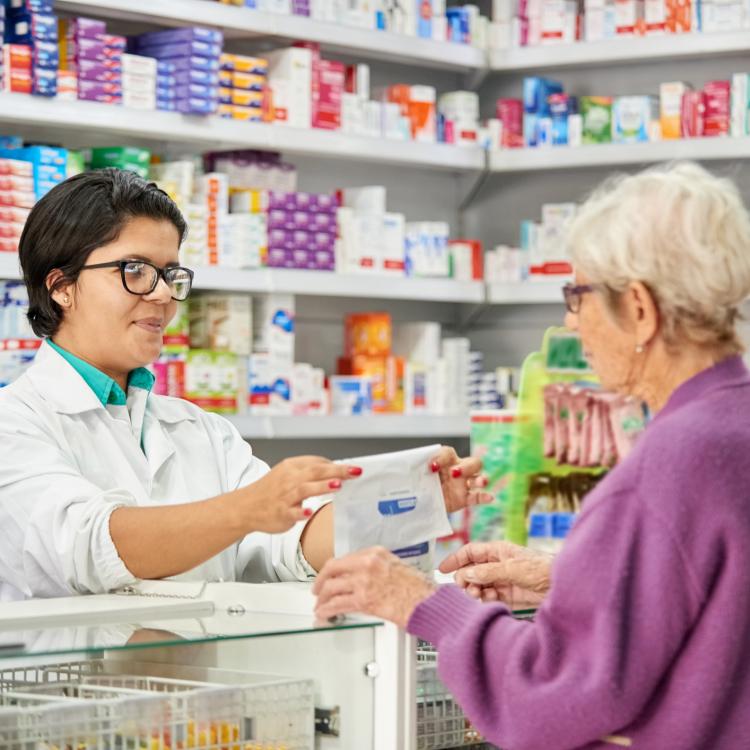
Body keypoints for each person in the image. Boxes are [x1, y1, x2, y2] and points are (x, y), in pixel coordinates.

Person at [314, 161, 750, 749]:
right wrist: (570, 583)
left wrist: (423, 603)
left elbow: (548, 701)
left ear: (640, 309)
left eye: (578, 296)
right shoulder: (732, 424)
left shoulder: (671, 464)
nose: (569, 322)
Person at [0, 168, 490, 602]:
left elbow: (283, 540)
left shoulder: (200, 430)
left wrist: (407, 503)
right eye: (135, 271)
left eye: (171, 273)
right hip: (64, 694)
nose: (165, 294)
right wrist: (247, 508)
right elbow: (87, 546)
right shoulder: (15, 424)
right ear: (61, 286)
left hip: (203, 694)